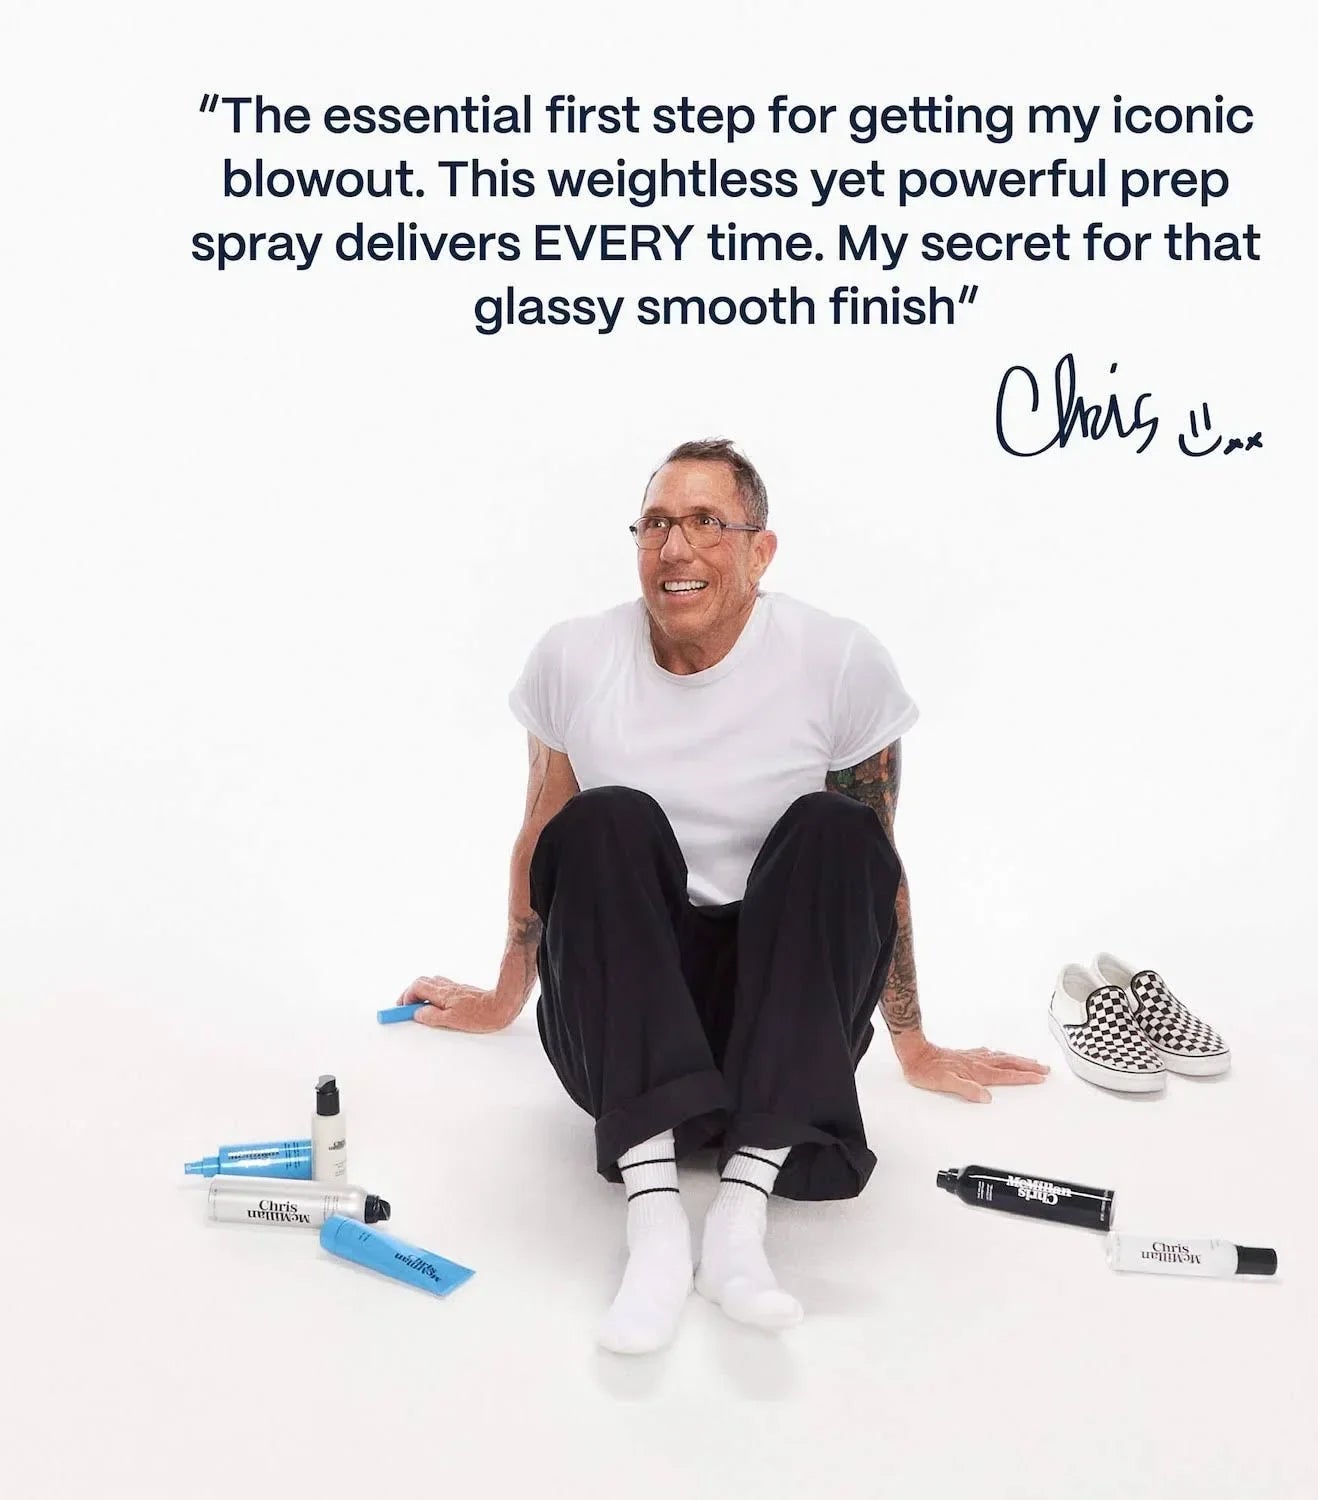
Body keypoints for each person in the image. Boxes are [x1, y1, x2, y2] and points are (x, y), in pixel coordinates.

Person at [398, 438, 1047, 1353]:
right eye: (656, 523)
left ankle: (743, 1214)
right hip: (625, 1027)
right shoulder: (576, 657)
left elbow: (875, 876)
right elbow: (540, 841)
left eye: (708, 522)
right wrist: (505, 996)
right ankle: (654, 1216)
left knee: (837, 830)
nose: (676, 548)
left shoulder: (839, 659)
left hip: (773, 1043)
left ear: (760, 550)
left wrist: (912, 1040)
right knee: (604, 821)